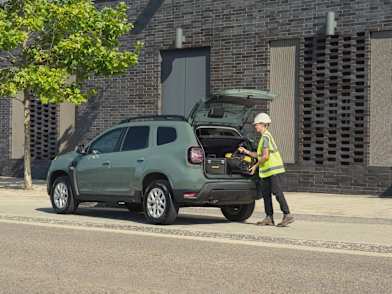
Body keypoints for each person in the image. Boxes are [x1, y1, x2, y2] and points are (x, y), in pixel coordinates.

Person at [239, 112, 294, 227]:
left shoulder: (266, 138)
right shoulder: (264, 138)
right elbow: (259, 154)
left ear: (263, 124)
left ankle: (287, 214)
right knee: (266, 194)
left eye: (257, 124)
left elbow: (265, 156)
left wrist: (255, 166)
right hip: (266, 172)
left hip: (274, 171)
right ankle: (269, 217)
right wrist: (246, 152)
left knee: (277, 193)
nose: (255, 126)